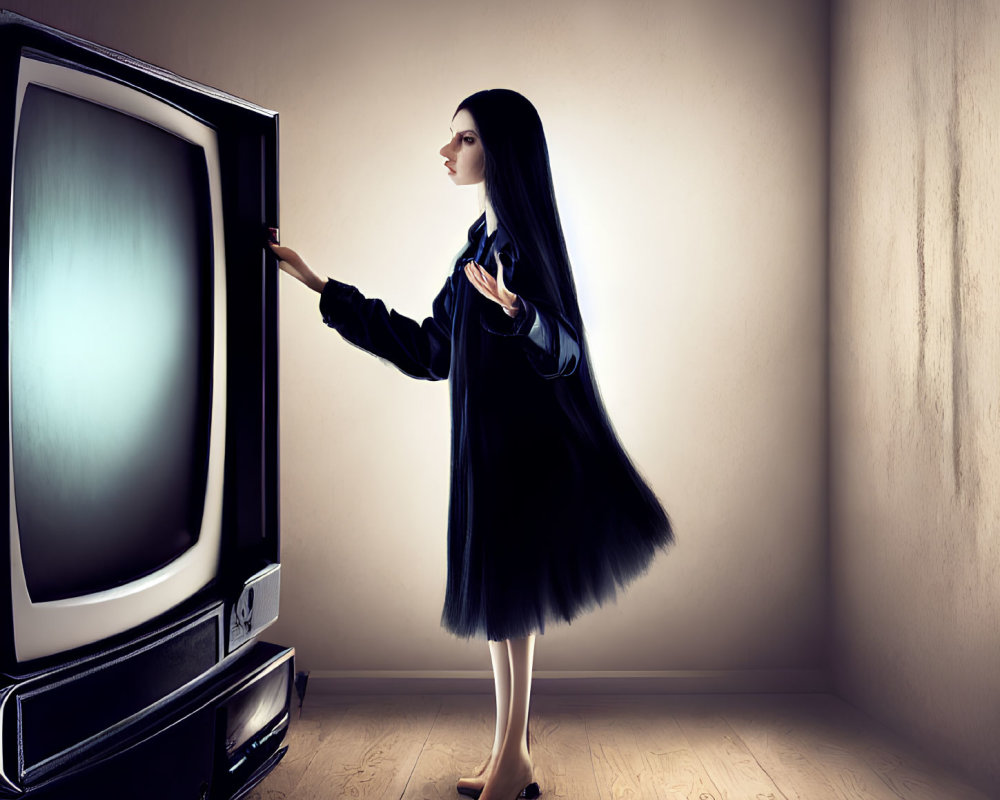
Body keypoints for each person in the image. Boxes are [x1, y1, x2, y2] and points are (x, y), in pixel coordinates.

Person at [271, 89, 674, 800]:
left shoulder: (522, 247)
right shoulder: (477, 248)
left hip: (523, 455)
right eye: (453, 138)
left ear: (500, 151)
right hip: (483, 457)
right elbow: (431, 350)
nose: (447, 150)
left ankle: (513, 760)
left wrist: (519, 313)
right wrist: (321, 287)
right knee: (503, 608)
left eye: (463, 139)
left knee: (508, 605)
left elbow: (567, 351)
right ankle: (508, 754)